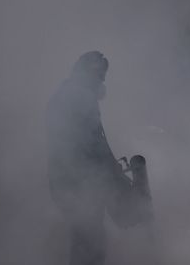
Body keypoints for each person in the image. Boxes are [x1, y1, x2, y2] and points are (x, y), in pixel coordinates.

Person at [46, 51, 128, 265]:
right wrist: (114, 172)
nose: (102, 81)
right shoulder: (82, 96)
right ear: (90, 74)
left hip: (65, 181)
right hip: (80, 182)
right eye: (100, 76)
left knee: (82, 238)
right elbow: (95, 142)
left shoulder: (63, 93)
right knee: (91, 243)